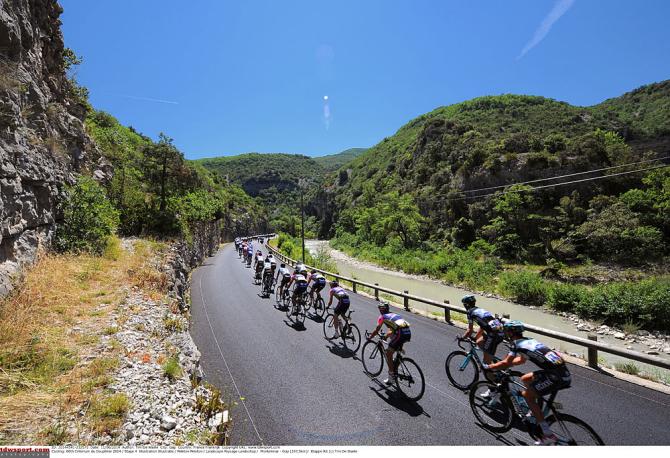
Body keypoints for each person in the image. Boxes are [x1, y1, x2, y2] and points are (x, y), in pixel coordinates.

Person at [483, 320, 572, 446]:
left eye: (507, 331)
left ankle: (548, 435)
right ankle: (534, 410)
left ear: (511, 333)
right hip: (562, 373)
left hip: (555, 377)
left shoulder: (516, 344)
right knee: (525, 378)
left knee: (527, 396)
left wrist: (489, 367)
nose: (505, 334)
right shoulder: (529, 340)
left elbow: (506, 362)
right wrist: (505, 365)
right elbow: (521, 360)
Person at [367, 301, 411, 385]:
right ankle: (396, 362)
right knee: (394, 344)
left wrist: (370, 337)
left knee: (388, 353)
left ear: (380, 310)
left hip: (400, 334)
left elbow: (377, 330)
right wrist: (386, 336)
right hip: (407, 333)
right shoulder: (394, 315)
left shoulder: (383, 317)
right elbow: (392, 330)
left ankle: (391, 377)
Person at [461, 294, 504, 366]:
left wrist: (462, 338)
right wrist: (475, 337)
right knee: (478, 342)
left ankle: (491, 365)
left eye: (464, 304)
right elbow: (482, 326)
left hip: (493, 334)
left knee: (485, 365)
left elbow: (469, 330)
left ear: (466, 304)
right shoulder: (479, 309)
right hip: (500, 330)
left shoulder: (470, 312)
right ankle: (491, 358)